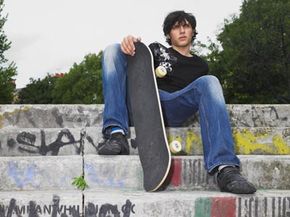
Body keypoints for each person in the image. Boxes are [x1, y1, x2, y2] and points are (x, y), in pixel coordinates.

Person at [98, 10, 256, 194]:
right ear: (168, 34)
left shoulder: (201, 65)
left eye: (186, 26)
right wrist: (129, 45)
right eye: (175, 27)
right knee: (112, 50)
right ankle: (116, 134)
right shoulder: (157, 50)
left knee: (210, 81)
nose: (181, 30)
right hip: (143, 102)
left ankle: (226, 169)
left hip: (173, 106)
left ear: (193, 31)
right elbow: (138, 66)